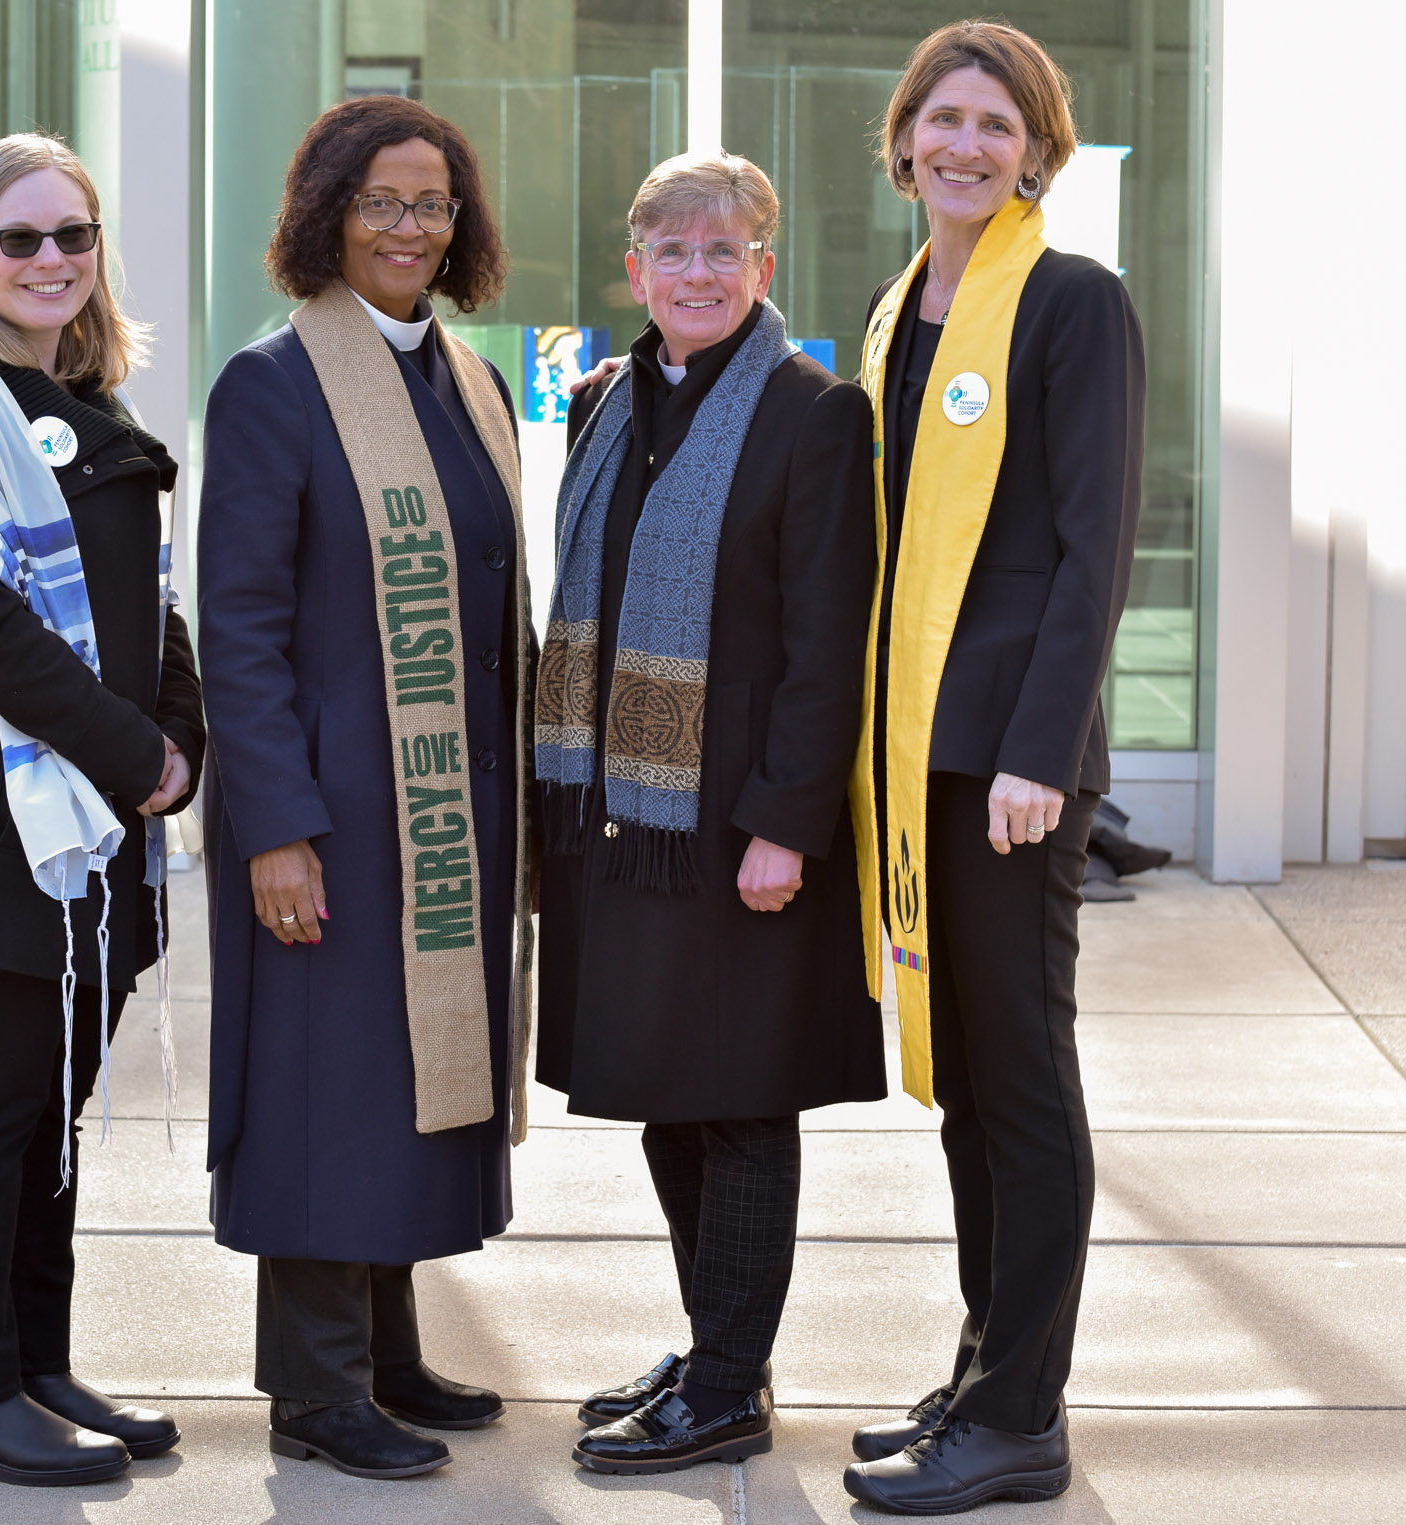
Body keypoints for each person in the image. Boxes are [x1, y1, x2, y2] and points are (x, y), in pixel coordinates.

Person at [195, 95, 534, 1481]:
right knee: (323, 1085)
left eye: (434, 202)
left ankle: (386, 1351)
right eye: (385, 200)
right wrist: (276, 823)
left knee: (406, 1076)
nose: (411, 226)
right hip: (332, 810)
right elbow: (241, 624)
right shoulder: (274, 384)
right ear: (328, 210)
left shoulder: (466, 381)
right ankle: (316, 1388)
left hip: (440, 807)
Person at [537, 150, 885, 1477]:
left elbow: (826, 638)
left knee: (738, 1100)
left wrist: (786, 824)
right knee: (667, 1094)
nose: (695, 272)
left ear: (763, 269)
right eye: (670, 252)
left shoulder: (811, 412)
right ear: (636, 269)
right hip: (627, 816)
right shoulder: (606, 402)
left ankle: (730, 1379)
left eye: (721, 250)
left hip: (737, 820)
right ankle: (714, 1346)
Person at [0, 132, 206, 1487]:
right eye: (21, 238)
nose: (52, 258)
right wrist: (140, 756)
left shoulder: (93, 403)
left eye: (74, 234)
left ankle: (30, 1359)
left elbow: (152, 605)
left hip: (101, 817)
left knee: (49, 1101)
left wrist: (181, 736)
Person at [841, 21, 1145, 1514]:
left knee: (1021, 1080)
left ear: (1036, 148)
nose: (967, 144)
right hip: (921, 762)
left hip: (1011, 767)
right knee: (969, 1080)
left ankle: (1023, 1411)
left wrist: (1040, 752)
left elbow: (1097, 549)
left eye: (997, 123)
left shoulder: (1071, 304)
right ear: (905, 140)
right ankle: (985, 1365)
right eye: (944, 118)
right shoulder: (904, 308)